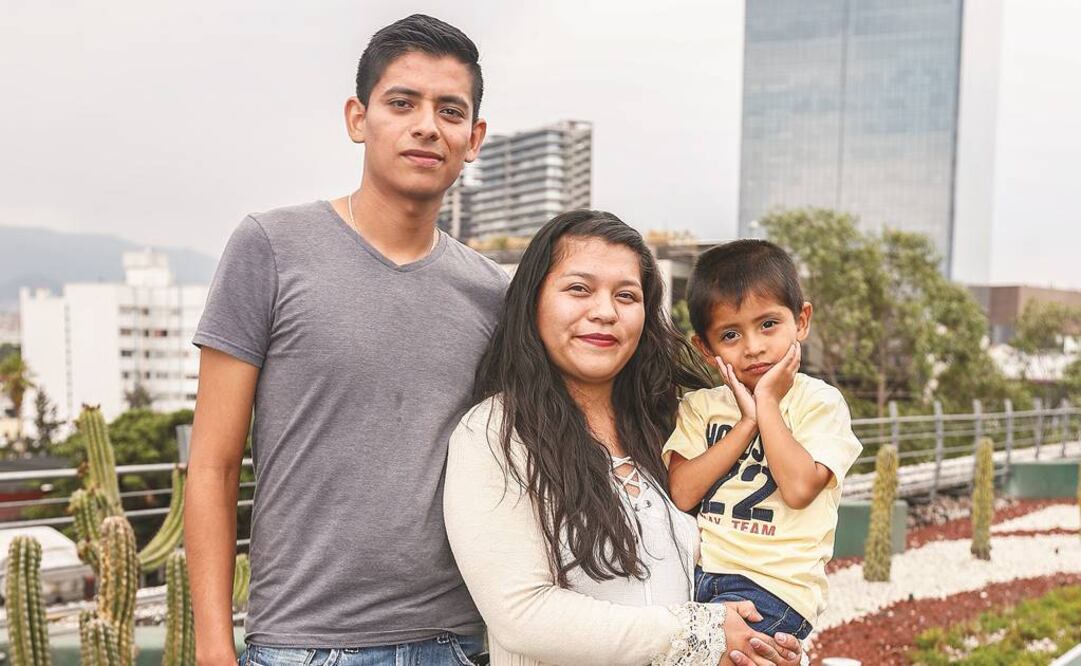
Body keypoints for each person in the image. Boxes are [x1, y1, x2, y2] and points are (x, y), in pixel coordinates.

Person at [185, 15, 507, 666]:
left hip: (455, 644)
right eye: (401, 102)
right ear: (357, 119)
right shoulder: (271, 247)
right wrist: (213, 649)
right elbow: (213, 467)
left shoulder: (493, 294)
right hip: (302, 644)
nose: (425, 125)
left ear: (472, 139)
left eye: (449, 110)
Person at [444, 211, 805, 665]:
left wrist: (763, 645)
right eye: (579, 289)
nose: (604, 311)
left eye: (626, 295)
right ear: (532, 301)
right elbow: (521, 613)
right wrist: (703, 631)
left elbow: (733, 565)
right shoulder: (495, 433)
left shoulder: (673, 429)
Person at [663, 240, 863, 641]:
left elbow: (800, 487)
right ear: (705, 347)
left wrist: (767, 403)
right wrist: (744, 425)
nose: (754, 347)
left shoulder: (819, 403)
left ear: (801, 321)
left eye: (768, 324)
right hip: (703, 580)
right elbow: (682, 492)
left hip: (776, 591)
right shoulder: (701, 407)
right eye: (731, 334)